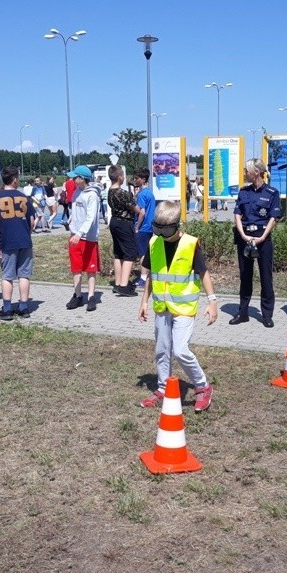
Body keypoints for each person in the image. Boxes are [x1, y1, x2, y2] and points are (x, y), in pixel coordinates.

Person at [138, 200, 217, 412]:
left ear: (177, 225)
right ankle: (163, 388)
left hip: (183, 309)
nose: (162, 234)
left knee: (181, 350)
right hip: (162, 307)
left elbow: (204, 273)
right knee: (162, 350)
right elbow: (151, 277)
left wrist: (212, 301)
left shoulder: (191, 244)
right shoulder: (154, 243)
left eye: (167, 230)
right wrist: (144, 301)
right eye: (158, 229)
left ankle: (203, 387)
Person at [231, 158, 281, 328]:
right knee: (245, 276)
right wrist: (243, 235)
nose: (245, 173)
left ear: (257, 172)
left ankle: (267, 315)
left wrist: (262, 237)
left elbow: (273, 218)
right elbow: (237, 215)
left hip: (263, 238)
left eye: (247, 170)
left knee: (266, 277)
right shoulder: (243, 192)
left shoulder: (272, 192)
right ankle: (243, 312)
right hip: (245, 237)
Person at [0, 166, 35, 321]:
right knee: (24, 274)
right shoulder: (24, 197)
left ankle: (7, 308)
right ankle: (23, 306)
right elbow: (32, 221)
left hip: (7, 241)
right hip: (24, 240)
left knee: (7, 276)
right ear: (15, 179)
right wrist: (27, 235)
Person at [65, 165, 101, 311]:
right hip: (75, 236)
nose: (72, 179)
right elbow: (75, 210)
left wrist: (81, 233)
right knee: (76, 268)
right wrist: (72, 221)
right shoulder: (75, 193)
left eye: (75, 177)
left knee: (90, 269)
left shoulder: (92, 195)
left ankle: (91, 297)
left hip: (88, 237)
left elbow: (91, 217)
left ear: (82, 179)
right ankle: (78, 295)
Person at [107, 165, 140, 296]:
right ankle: (124, 285)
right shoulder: (123, 193)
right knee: (130, 253)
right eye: (123, 175)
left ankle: (118, 282)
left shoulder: (110, 191)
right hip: (124, 223)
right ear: (119, 177)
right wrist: (134, 197)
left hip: (114, 221)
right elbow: (136, 209)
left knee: (119, 253)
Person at [133, 167, 155, 289]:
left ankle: (143, 277)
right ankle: (149, 276)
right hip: (150, 226)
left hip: (143, 228)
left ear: (143, 179)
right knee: (148, 252)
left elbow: (142, 212)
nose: (135, 180)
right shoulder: (150, 192)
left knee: (142, 254)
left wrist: (137, 226)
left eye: (137, 178)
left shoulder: (141, 194)